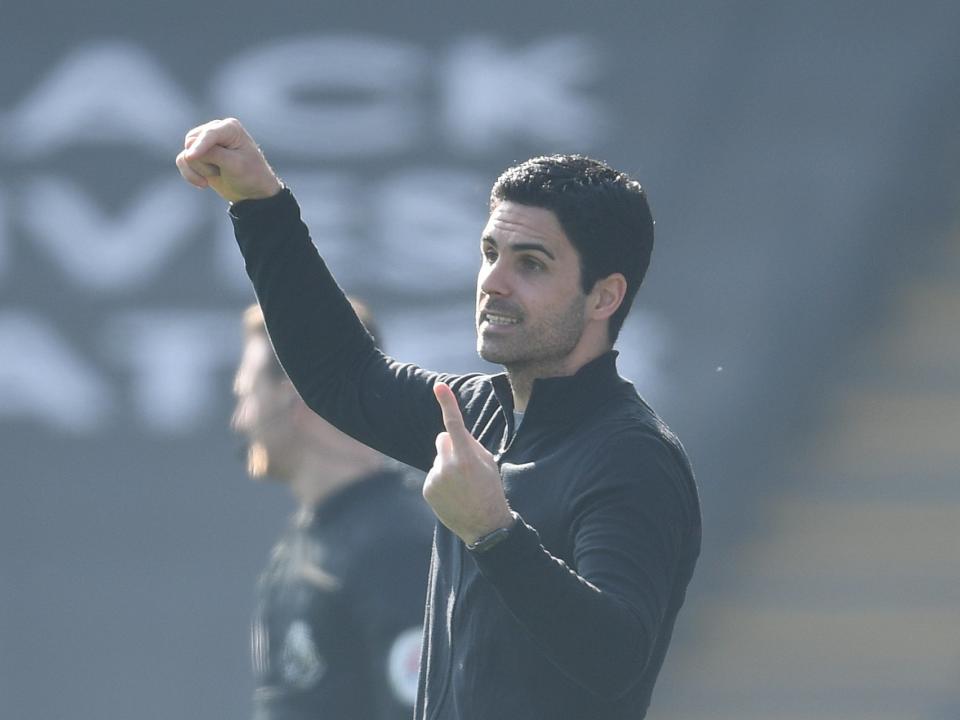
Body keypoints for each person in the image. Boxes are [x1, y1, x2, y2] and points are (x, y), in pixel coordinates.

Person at [178, 118, 701, 720]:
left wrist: (494, 533)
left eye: (530, 264)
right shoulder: (474, 412)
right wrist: (258, 203)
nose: (493, 283)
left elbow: (615, 656)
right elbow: (340, 376)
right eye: (489, 253)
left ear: (603, 297)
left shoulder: (632, 455)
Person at [232, 301, 434, 720]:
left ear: (298, 397)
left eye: (248, 396)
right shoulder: (311, 540)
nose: (240, 421)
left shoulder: (398, 547)